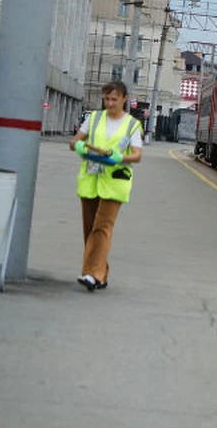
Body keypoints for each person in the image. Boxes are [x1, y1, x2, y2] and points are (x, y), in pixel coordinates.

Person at [68, 81, 143, 292]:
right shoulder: (94, 118)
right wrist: (80, 146)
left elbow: (137, 155)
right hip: (91, 179)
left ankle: (91, 274)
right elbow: (75, 142)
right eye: (106, 99)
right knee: (90, 228)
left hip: (115, 181)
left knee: (102, 227)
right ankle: (101, 274)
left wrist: (121, 157)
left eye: (114, 99)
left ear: (124, 99)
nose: (109, 103)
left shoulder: (132, 125)